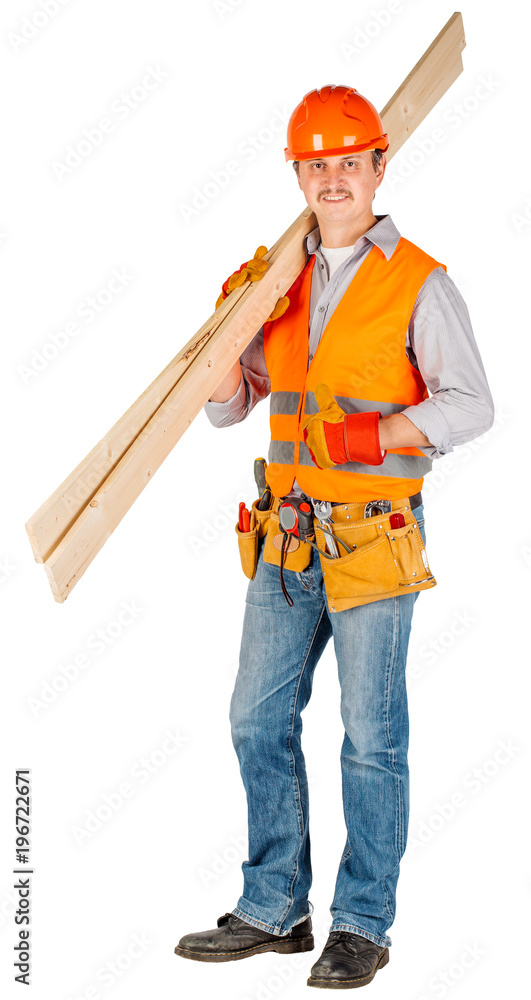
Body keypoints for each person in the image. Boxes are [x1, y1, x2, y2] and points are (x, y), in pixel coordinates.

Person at [174, 85, 494, 990]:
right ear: (298, 173)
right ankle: (274, 906)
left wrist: (373, 435)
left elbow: (472, 404)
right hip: (283, 541)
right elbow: (232, 411)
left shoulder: (419, 280)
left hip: (369, 540)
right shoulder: (272, 280)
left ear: (377, 164)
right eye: (314, 163)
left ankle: (361, 922)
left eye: (346, 160)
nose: (331, 177)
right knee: (254, 718)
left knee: (369, 735)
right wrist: (218, 352)